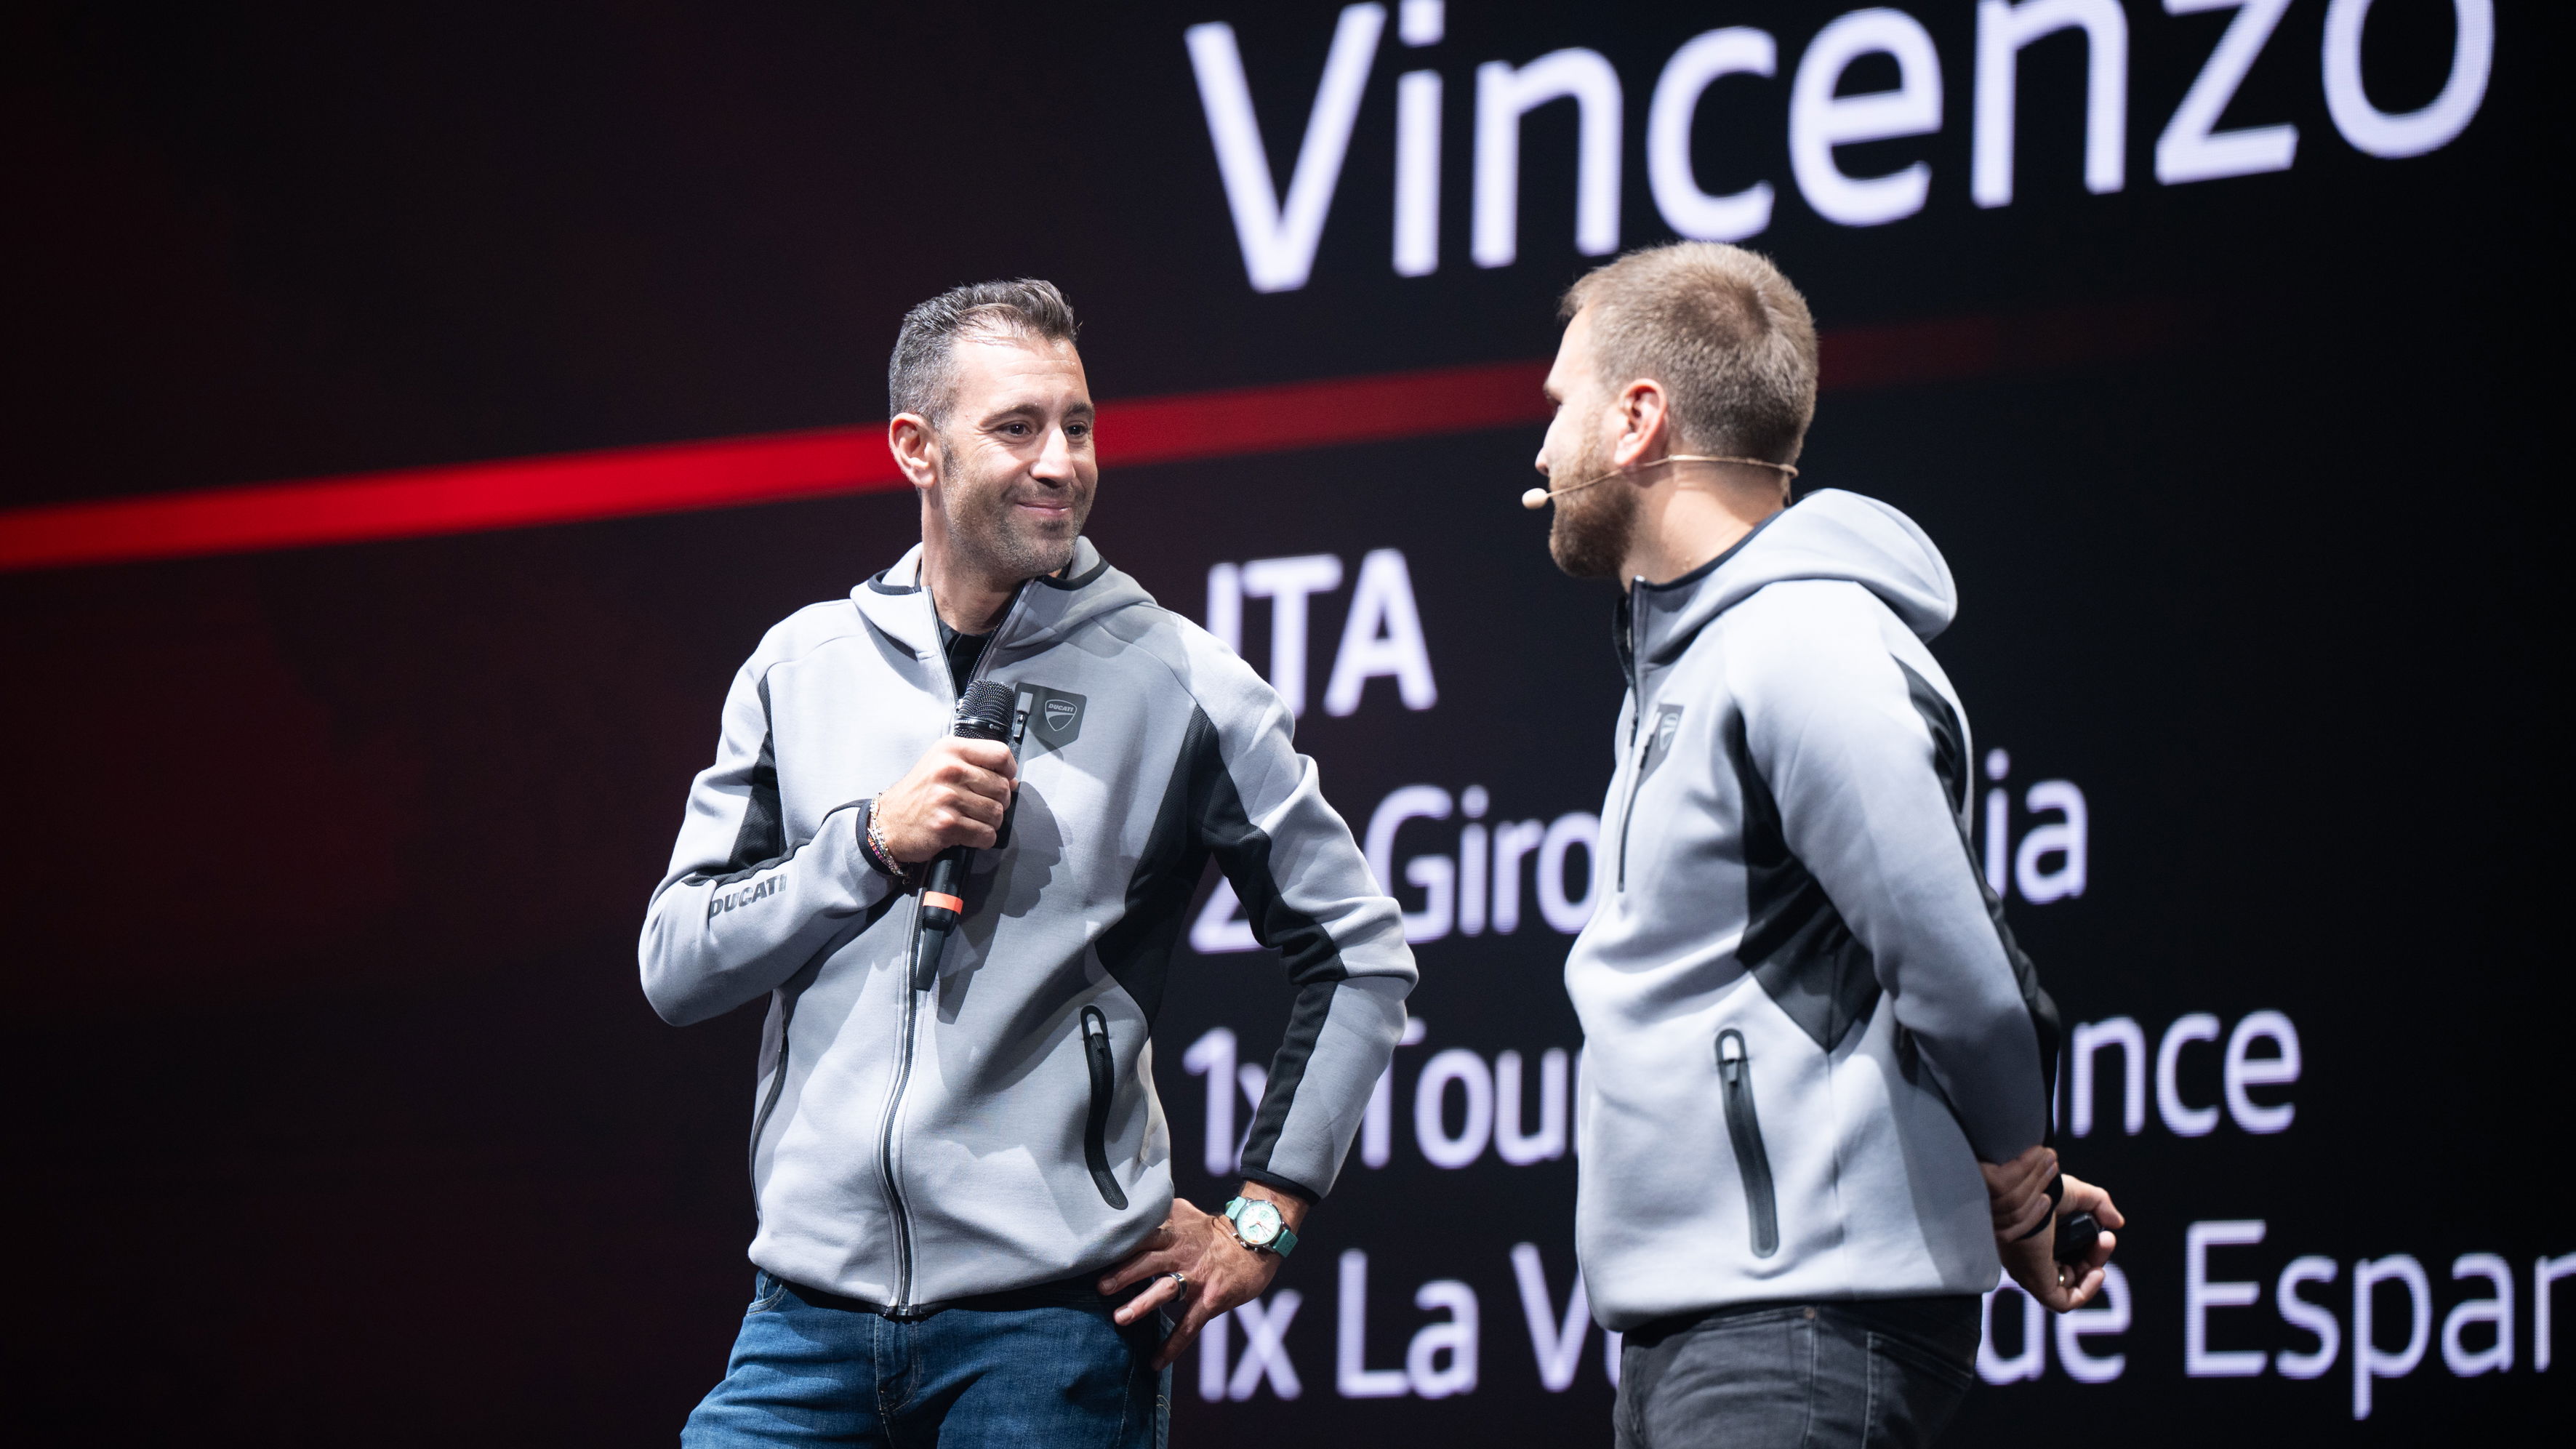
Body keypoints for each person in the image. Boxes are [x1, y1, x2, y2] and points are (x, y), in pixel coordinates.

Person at [639, 278, 1416, 1446]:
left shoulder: (1186, 683)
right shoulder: (797, 669)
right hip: (804, 1320)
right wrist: (865, 845)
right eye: (1018, 427)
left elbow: (1360, 957)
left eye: (1080, 425)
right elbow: (677, 959)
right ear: (917, 447)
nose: (1063, 461)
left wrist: (1266, 1218)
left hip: (1049, 1330)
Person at [1530, 242, 2123, 1448]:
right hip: (1713, 1325)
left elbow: (1956, 956)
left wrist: (2017, 1168)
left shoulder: (1802, 639)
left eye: (1558, 408)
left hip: (1800, 1321)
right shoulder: (1691, 657)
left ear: (1638, 418)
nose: (1541, 453)